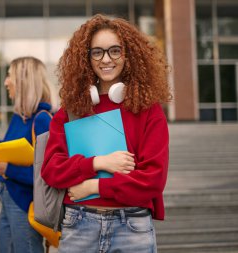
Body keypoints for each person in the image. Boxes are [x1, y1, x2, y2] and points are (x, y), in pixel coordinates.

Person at [41, 14, 172, 253]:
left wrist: (94, 187)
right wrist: (98, 163)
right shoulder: (71, 110)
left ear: (128, 55)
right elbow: (51, 170)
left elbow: (152, 181)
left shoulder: (149, 111)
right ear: (87, 58)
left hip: (132, 228)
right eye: (97, 52)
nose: (106, 59)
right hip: (79, 225)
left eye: (115, 51)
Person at [0, 56, 54, 253]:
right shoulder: (19, 118)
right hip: (8, 198)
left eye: (10, 76)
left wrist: (8, 170)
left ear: (24, 81)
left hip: (26, 206)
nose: (5, 82)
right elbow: (10, 153)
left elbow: (47, 174)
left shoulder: (43, 121)